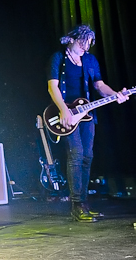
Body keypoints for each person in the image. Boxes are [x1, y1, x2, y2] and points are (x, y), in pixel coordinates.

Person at [47, 24, 128, 222]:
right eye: (84, 42)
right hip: (66, 113)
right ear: (73, 39)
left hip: (87, 115)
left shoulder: (90, 60)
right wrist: (64, 110)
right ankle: (76, 205)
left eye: (89, 44)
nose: (86, 47)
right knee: (76, 155)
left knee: (87, 156)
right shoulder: (58, 58)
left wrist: (116, 94)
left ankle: (84, 203)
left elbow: (99, 86)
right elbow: (52, 87)